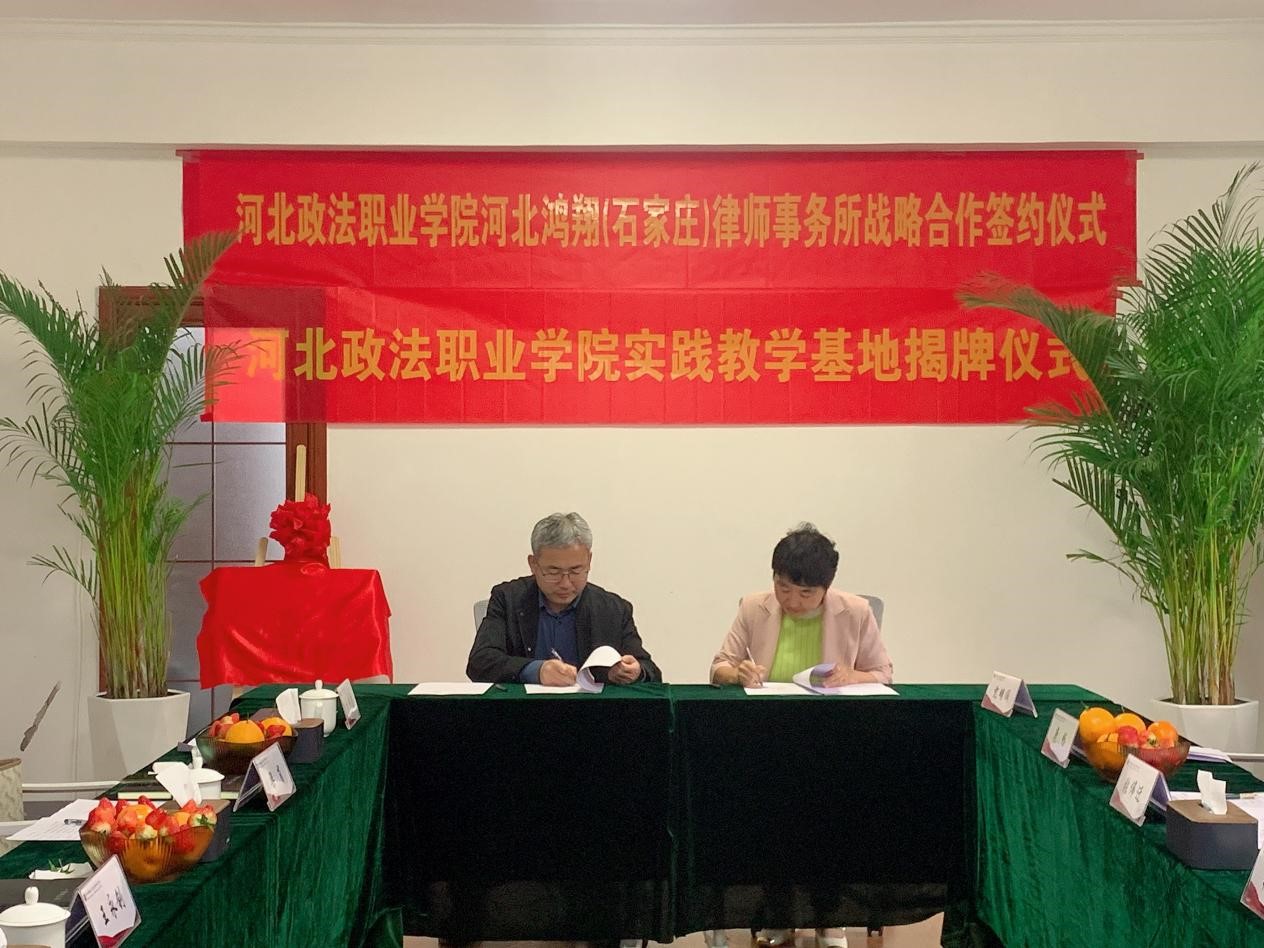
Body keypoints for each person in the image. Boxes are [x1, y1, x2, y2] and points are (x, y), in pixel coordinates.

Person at [708, 523, 893, 948]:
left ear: (827, 587)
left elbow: (883, 672)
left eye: (805, 593)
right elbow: (719, 666)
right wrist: (737, 673)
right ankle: (778, 918)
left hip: (833, 736)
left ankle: (830, 920)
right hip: (768, 734)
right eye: (783, 587)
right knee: (770, 825)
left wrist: (850, 676)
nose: (791, 600)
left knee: (830, 825)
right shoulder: (754, 607)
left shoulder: (856, 611)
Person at [466, 511, 661, 685]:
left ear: (589, 561)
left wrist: (636, 672)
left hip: (593, 711)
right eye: (553, 572)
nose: (565, 583)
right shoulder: (508, 599)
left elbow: (650, 670)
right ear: (533, 564)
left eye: (576, 570)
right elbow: (480, 663)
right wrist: (536, 671)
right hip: (523, 710)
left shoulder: (613, 609)